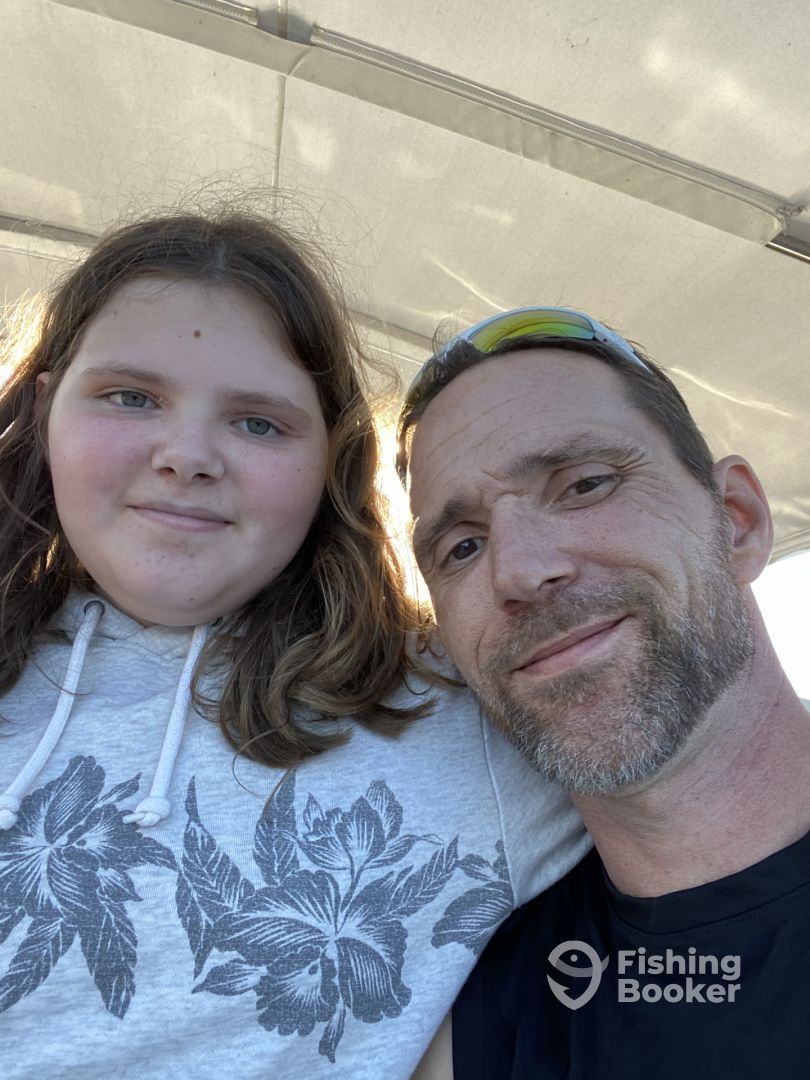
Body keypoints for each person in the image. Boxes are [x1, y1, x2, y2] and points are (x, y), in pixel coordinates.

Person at [0, 237, 587, 1080]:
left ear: (332, 465)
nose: (186, 456)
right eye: (130, 397)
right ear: (45, 411)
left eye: (257, 423)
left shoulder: (459, 701)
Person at [397, 307, 810, 1079]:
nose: (520, 572)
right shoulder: (492, 999)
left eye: (585, 484)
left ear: (739, 522)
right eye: (462, 546)